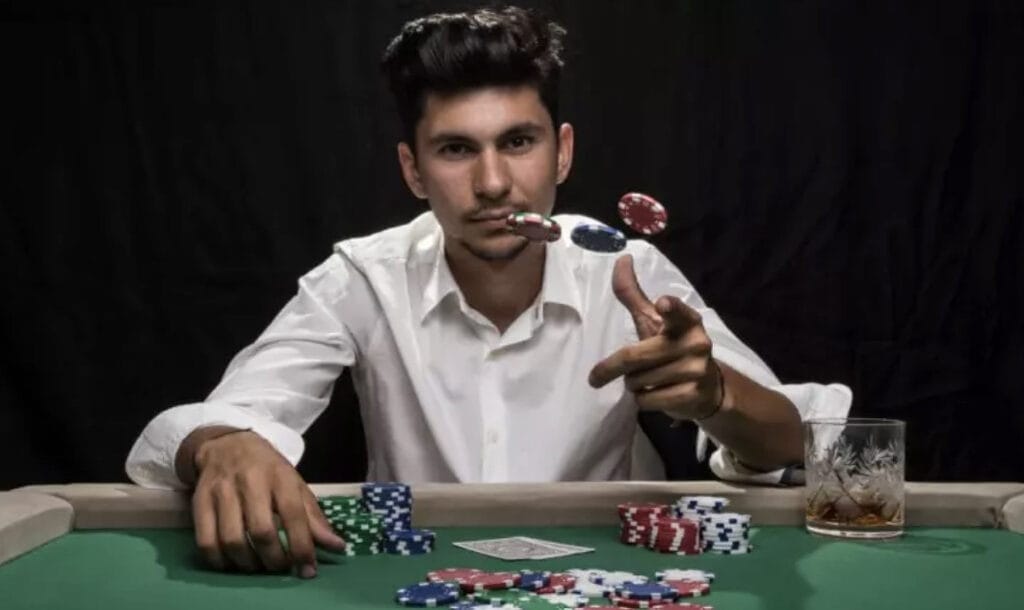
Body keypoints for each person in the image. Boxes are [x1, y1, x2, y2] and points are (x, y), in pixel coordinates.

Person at [125, 6, 850, 578]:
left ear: (561, 151)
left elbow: (796, 441)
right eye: (456, 150)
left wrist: (715, 395)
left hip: (606, 583)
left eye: (518, 142)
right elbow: (228, 416)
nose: (495, 184)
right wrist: (224, 445)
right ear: (413, 171)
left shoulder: (625, 269)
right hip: (411, 582)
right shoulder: (361, 276)